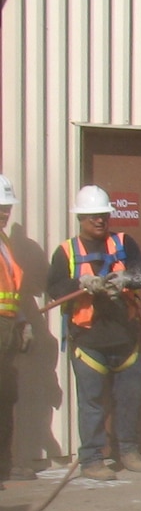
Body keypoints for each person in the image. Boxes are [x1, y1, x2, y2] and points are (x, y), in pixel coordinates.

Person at [47, 186, 141, 481]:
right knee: (91, 404)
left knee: (129, 399)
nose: (99, 221)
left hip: (126, 339)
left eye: (103, 215)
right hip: (89, 340)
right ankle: (92, 459)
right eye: (92, 216)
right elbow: (53, 288)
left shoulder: (124, 242)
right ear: (80, 218)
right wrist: (81, 282)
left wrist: (128, 277)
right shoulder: (66, 251)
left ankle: (128, 450)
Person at [0, 177, 31, 486]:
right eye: (1, 208)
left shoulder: (3, 242)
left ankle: (4, 465)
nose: (5, 213)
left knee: (5, 397)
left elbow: (8, 290)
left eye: (7, 208)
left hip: (7, 327)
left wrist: (21, 320)